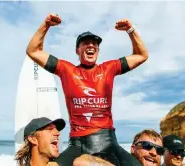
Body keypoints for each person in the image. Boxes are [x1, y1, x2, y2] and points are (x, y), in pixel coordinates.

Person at [26, 13, 148, 166]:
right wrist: (46, 25)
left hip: (109, 142)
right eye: (86, 43)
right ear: (77, 50)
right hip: (78, 144)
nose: (91, 46)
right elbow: (33, 51)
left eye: (94, 44)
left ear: (97, 50)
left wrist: (131, 30)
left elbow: (142, 55)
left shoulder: (109, 68)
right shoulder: (66, 70)